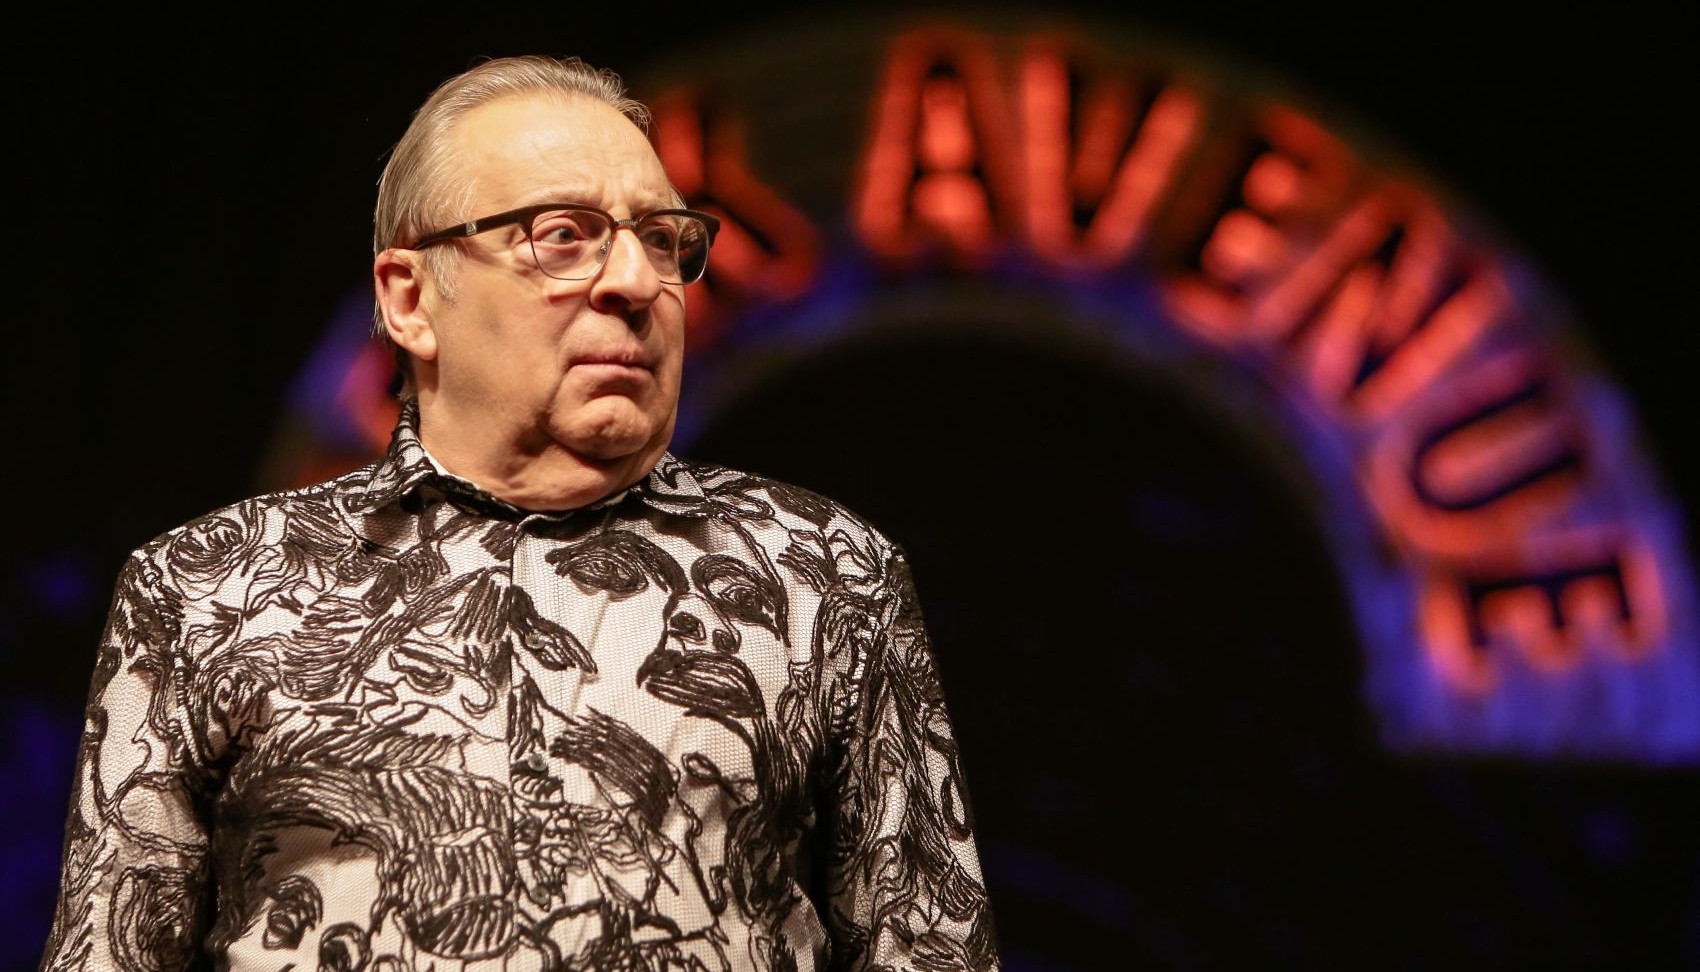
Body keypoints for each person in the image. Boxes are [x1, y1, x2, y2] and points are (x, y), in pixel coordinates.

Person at [39, 55, 998, 971]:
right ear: (411, 299)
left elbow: (932, 948)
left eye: (661, 239)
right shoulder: (210, 588)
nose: (635, 283)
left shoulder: (823, 574)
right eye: (564, 235)